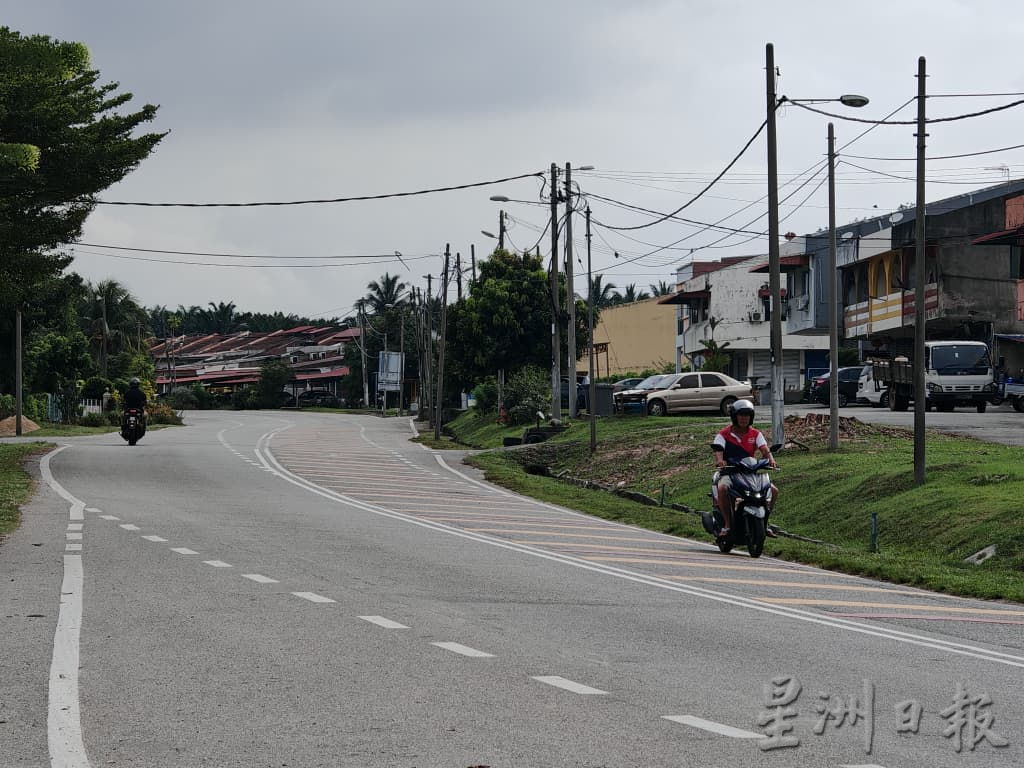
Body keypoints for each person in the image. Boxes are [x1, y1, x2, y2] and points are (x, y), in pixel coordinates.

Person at [711, 398, 778, 538]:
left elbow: (765, 449)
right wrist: (720, 461)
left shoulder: (755, 434)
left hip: (750, 472)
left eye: (747, 415)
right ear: (734, 416)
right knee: (722, 488)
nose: (744, 418)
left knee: (773, 490)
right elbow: (719, 450)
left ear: (751, 417)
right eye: (741, 415)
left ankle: (765, 523)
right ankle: (727, 525)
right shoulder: (723, 434)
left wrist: (771, 460)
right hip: (730, 472)